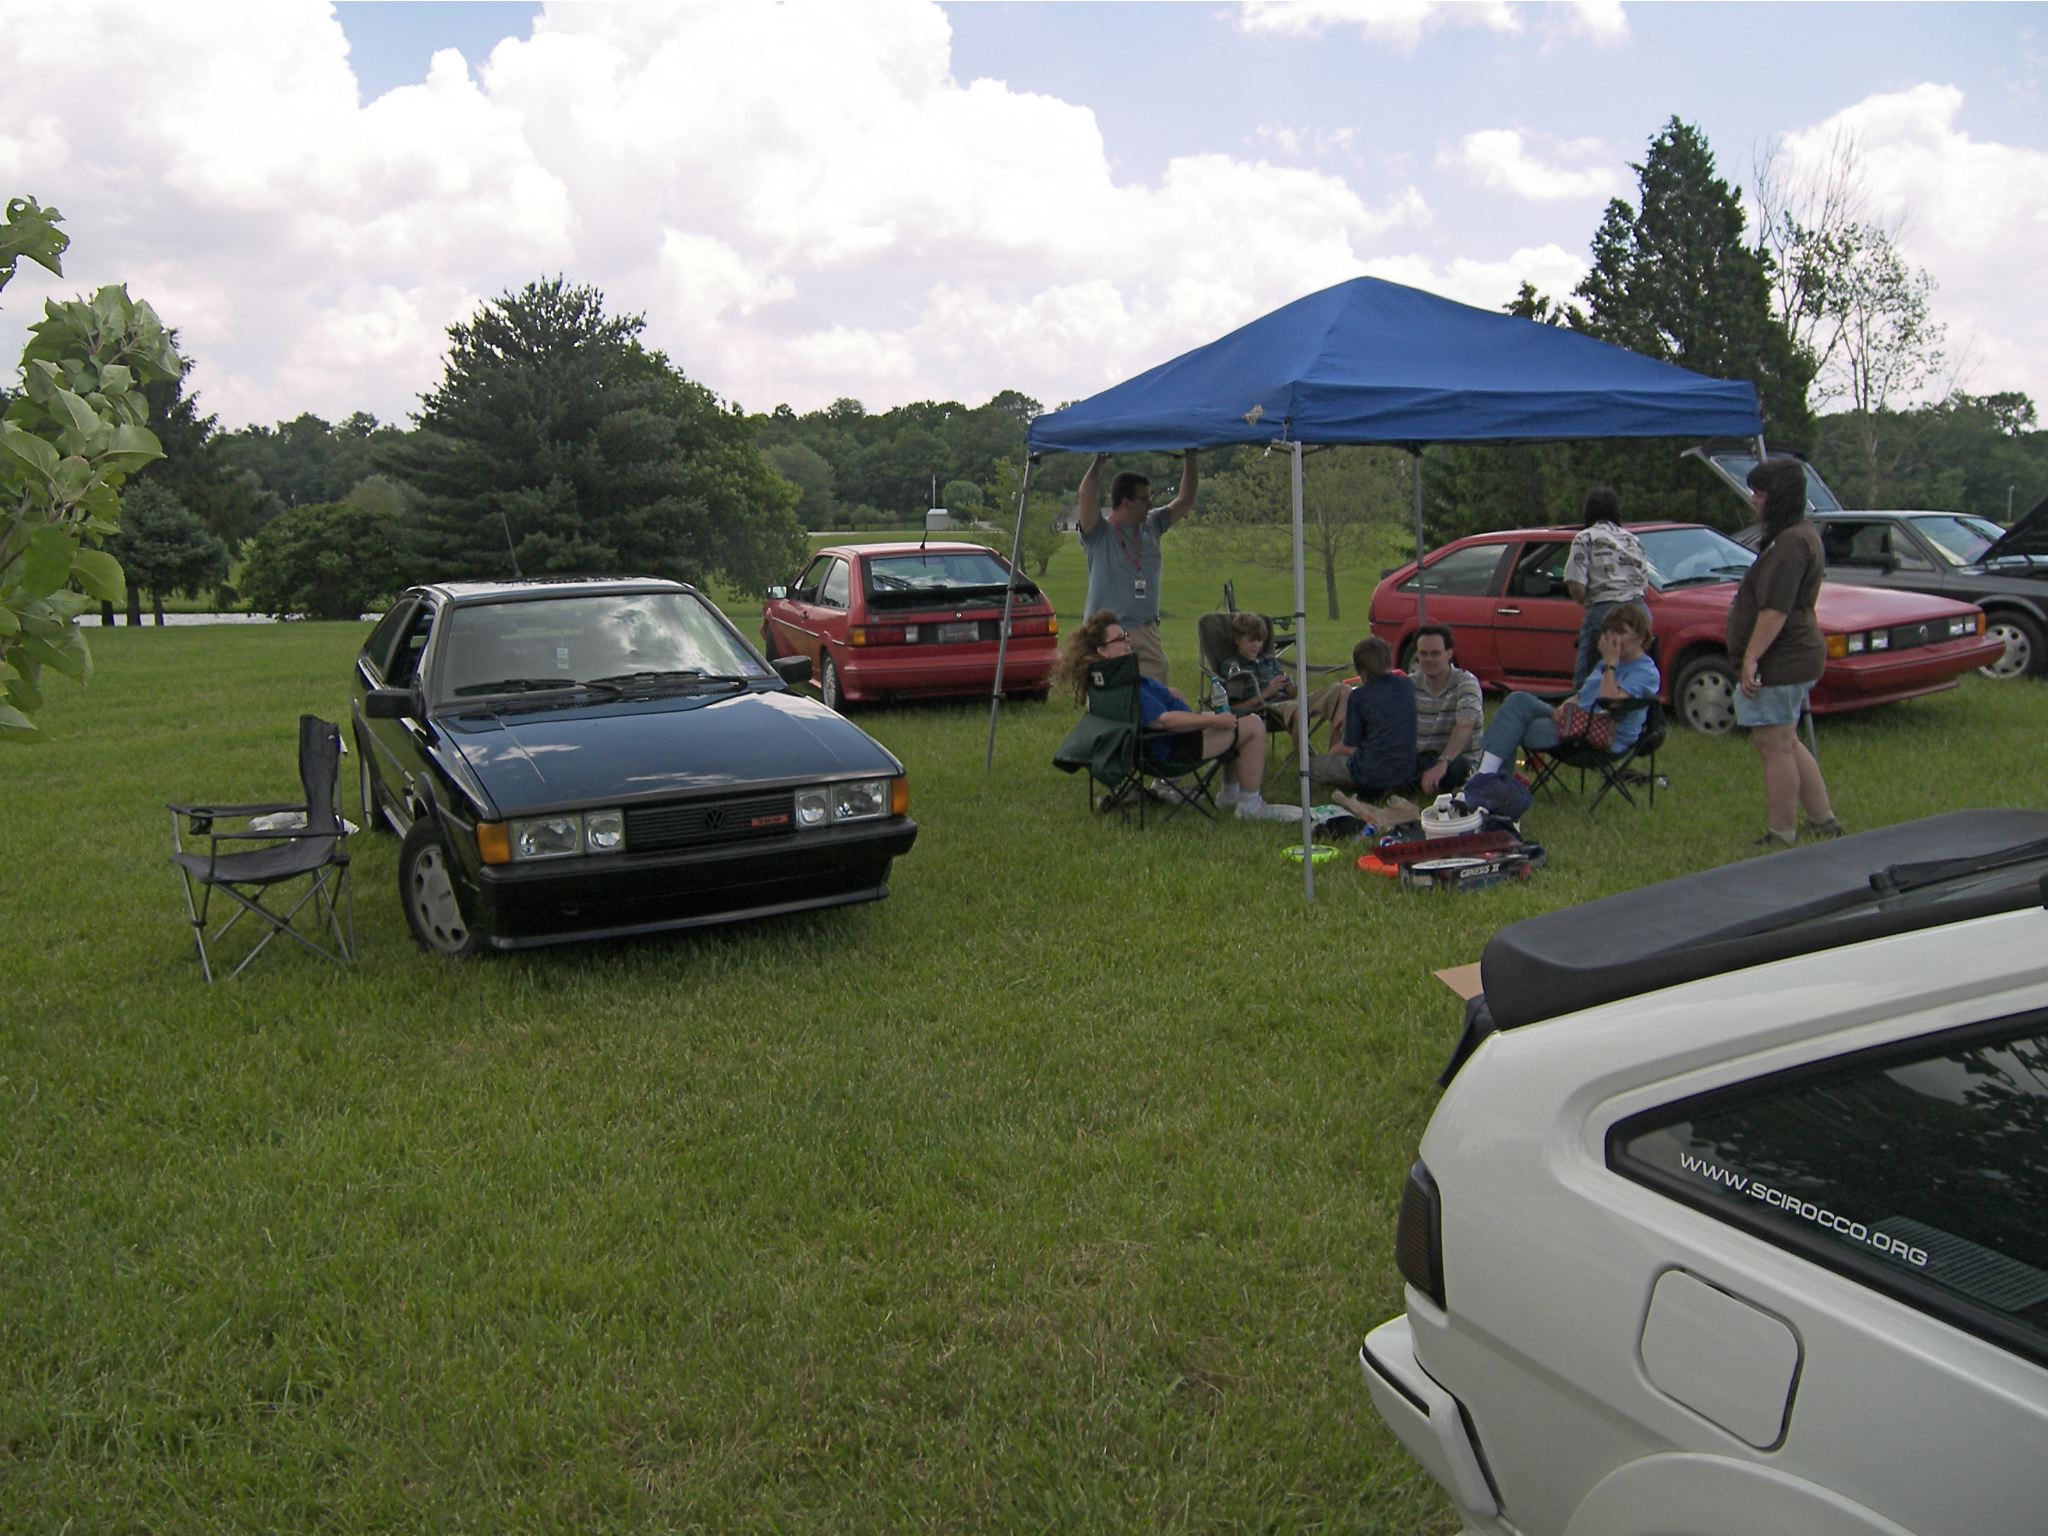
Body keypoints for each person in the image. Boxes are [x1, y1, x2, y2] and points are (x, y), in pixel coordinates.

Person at [1056, 610, 1295, 822]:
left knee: (1233, 716)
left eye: (1126, 634)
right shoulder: (1127, 685)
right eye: (1120, 638)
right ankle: (1251, 806)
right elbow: (1164, 720)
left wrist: (1171, 695)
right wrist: (1213, 720)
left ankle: (1230, 796)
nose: (1128, 639)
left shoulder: (1108, 680)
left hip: (1157, 745)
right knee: (1252, 724)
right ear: (1103, 650)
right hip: (1171, 750)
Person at [1731, 457, 1842, 848]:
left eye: (1760, 493)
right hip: (1794, 654)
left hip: (1783, 658)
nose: (1753, 500)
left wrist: (1750, 658)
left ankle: (1782, 832)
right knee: (1787, 740)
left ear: (1778, 498)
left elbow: (1775, 611)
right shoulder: (1796, 536)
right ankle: (1823, 820)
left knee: (1773, 745)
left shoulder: (1792, 543)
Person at [1473, 603, 1658, 775]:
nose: (1612, 639)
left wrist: (1610, 664)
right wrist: (1566, 705)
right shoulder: (1604, 663)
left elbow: (1610, 702)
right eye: (1609, 632)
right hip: (1575, 720)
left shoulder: (1644, 672)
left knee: (1513, 727)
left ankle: (1485, 777)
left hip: (1601, 736)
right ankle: (1489, 778)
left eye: (1620, 632)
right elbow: (1582, 695)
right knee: (1518, 700)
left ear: (1641, 637)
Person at [1076, 451, 1198, 684]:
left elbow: (1186, 499)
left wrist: (1190, 456)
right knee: (1112, 696)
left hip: (1146, 631)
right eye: (1144, 498)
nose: (1150, 503)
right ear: (1125, 502)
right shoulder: (1099, 532)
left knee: (1157, 695)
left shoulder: (1153, 524)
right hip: (1108, 635)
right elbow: (1085, 494)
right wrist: (1100, 459)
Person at [1215, 611, 1346, 755]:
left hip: (1289, 705)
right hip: (1265, 710)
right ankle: (1309, 764)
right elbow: (1235, 708)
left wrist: (1291, 689)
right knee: (1299, 710)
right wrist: (1266, 693)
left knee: (1342, 691)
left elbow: (1291, 695)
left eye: (1260, 640)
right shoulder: (1234, 667)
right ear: (1237, 639)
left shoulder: (1270, 661)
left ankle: (1334, 756)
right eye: (1251, 640)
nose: (1256, 645)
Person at [1310, 635, 1418, 801]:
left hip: (1370, 772)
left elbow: (1349, 747)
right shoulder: (1406, 685)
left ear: (1360, 669)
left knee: (1312, 766)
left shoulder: (1359, 697)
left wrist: (1331, 754)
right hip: (1407, 769)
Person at [1563, 485, 1649, 688]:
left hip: (1605, 610)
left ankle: (1586, 705)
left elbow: (1576, 585)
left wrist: (1585, 600)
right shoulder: (1632, 539)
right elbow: (1643, 581)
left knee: (1589, 674)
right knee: (1632, 672)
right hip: (1639, 611)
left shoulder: (1585, 538)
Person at [1409, 623, 1484, 795]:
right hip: (1421, 758)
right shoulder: (1411, 684)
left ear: (1449, 653)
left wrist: (1443, 761)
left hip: (1455, 759)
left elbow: (1465, 724)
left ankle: (1419, 783)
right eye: (1423, 654)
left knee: (1457, 769)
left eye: (1435, 653)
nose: (1429, 659)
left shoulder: (1465, 682)